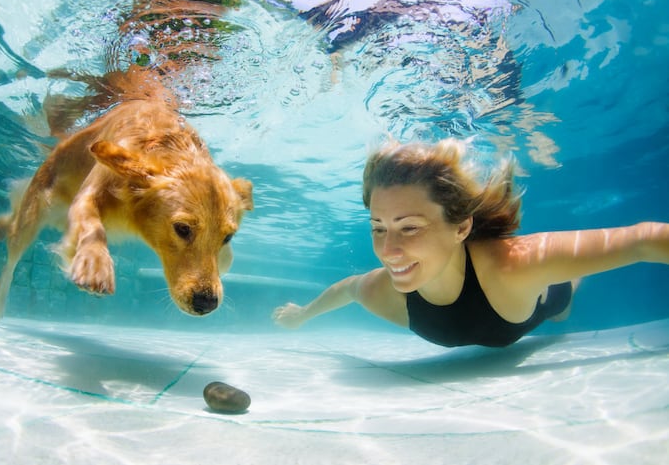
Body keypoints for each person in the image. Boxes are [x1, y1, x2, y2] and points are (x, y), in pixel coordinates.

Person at [272, 138, 669, 347]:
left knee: (561, 308)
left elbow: (644, 240)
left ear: (461, 228)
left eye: (410, 227)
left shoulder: (514, 264)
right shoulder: (385, 291)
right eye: (378, 227)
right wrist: (303, 314)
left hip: (541, 297)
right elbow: (349, 288)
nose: (389, 250)